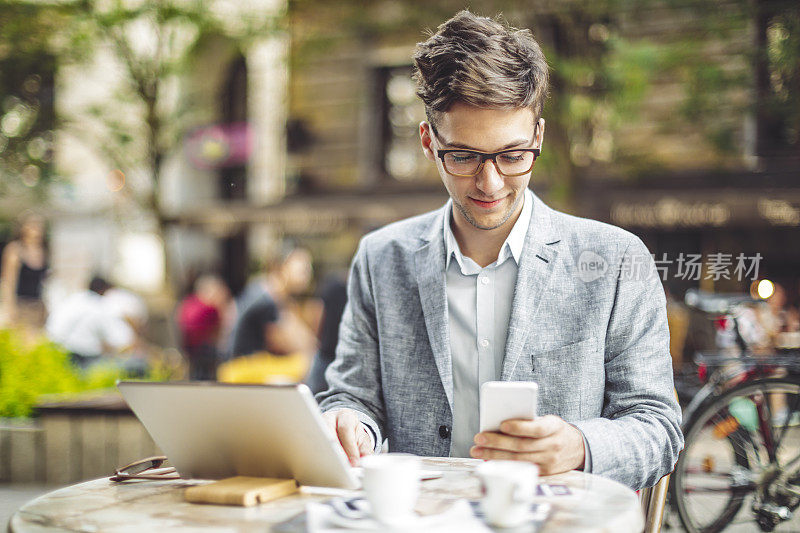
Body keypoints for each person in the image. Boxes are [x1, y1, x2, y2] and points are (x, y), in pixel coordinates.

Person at [317, 11, 683, 491]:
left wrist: (581, 445)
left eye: (512, 156)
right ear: (429, 142)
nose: (489, 183)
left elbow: (658, 427)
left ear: (539, 138)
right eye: (464, 156)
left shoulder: (617, 260)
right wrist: (347, 423)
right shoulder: (381, 258)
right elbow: (352, 396)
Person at [229, 246, 318, 363]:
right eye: (302, 269)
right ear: (282, 267)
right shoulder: (265, 299)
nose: (307, 274)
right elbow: (285, 342)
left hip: (251, 363)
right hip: (243, 366)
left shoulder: (271, 292)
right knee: (303, 364)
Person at [45, 276, 135, 369]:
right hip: (83, 356)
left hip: (57, 348)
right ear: (104, 290)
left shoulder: (74, 299)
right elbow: (120, 339)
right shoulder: (100, 306)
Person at [177, 274, 231, 380]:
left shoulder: (188, 303)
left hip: (188, 351)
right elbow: (219, 333)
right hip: (205, 353)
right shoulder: (211, 310)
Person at [0, 212, 49, 329]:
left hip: (37, 305)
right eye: (33, 225)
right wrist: (9, 307)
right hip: (20, 304)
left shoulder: (43, 251)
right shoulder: (15, 250)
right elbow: (8, 282)